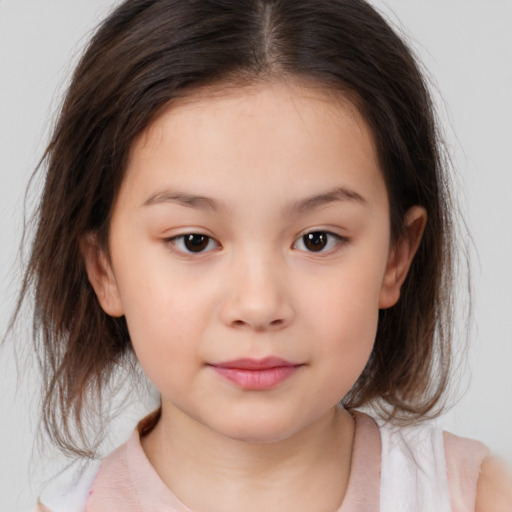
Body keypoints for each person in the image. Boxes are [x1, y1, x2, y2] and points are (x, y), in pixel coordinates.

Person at [10, 0, 510, 510]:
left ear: (396, 257)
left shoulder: (479, 497)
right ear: (104, 268)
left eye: (317, 239)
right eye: (194, 241)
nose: (258, 305)